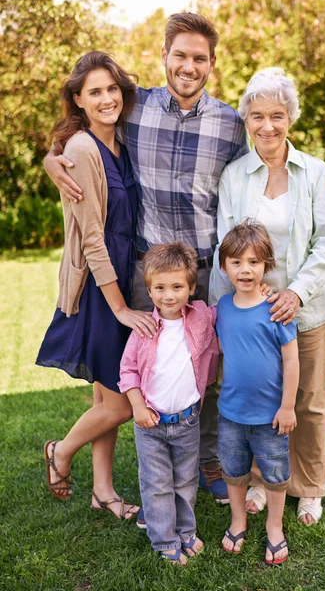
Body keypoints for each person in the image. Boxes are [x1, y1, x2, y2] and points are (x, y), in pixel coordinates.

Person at [43, 13, 249, 505]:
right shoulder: (138, 107)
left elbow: (260, 166)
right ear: (164, 56)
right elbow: (85, 130)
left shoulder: (231, 124)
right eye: (180, 55)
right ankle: (143, 472)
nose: (188, 66)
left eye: (199, 58)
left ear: (212, 64)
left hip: (203, 270)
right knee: (137, 375)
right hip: (141, 274)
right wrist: (53, 157)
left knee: (208, 371)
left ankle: (205, 460)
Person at [209, 67, 325, 526]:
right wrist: (232, 304)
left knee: (308, 401)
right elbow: (225, 244)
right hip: (252, 311)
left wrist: (294, 292)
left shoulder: (314, 171)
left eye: (276, 114)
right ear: (246, 121)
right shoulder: (234, 175)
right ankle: (258, 480)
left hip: (311, 306)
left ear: (289, 116)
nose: (267, 126)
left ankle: (308, 487)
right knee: (256, 396)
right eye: (257, 116)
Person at [37, 51, 157, 519]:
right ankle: (61, 452)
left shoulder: (119, 141)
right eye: (95, 92)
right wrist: (121, 308)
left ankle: (102, 491)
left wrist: (51, 157)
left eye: (112, 89)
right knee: (123, 405)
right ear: (78, 100)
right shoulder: (86, 150)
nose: (107, 99)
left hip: (121, 282)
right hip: (101, 289)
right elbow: (92, 239)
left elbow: (55, 152)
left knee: (105, 395)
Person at [118, 242, 219, 565]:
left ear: (191, 287)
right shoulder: (144, 329)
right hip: (151, 423)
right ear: (149, 290)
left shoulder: (202, 316)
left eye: (177, 287)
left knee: (186, 480)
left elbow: (229, 309)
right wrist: (137, 406)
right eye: (160, 288)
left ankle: (186, 531)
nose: (169, 295)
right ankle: (164, 539)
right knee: (158, 483)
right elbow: (128, 371)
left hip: (187, 421)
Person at [216, 221, 299, 565]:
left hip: (270, 415)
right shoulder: (221, 307)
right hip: (231, 412)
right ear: (224, 267)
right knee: (234, 472)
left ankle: (275, 527)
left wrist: (288, 406)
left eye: (253, 261)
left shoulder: (276, 309)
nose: (245, 269)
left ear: (266, 265)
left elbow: (291, 359)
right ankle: (238, 521)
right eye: (236, 262)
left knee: (275, 475)